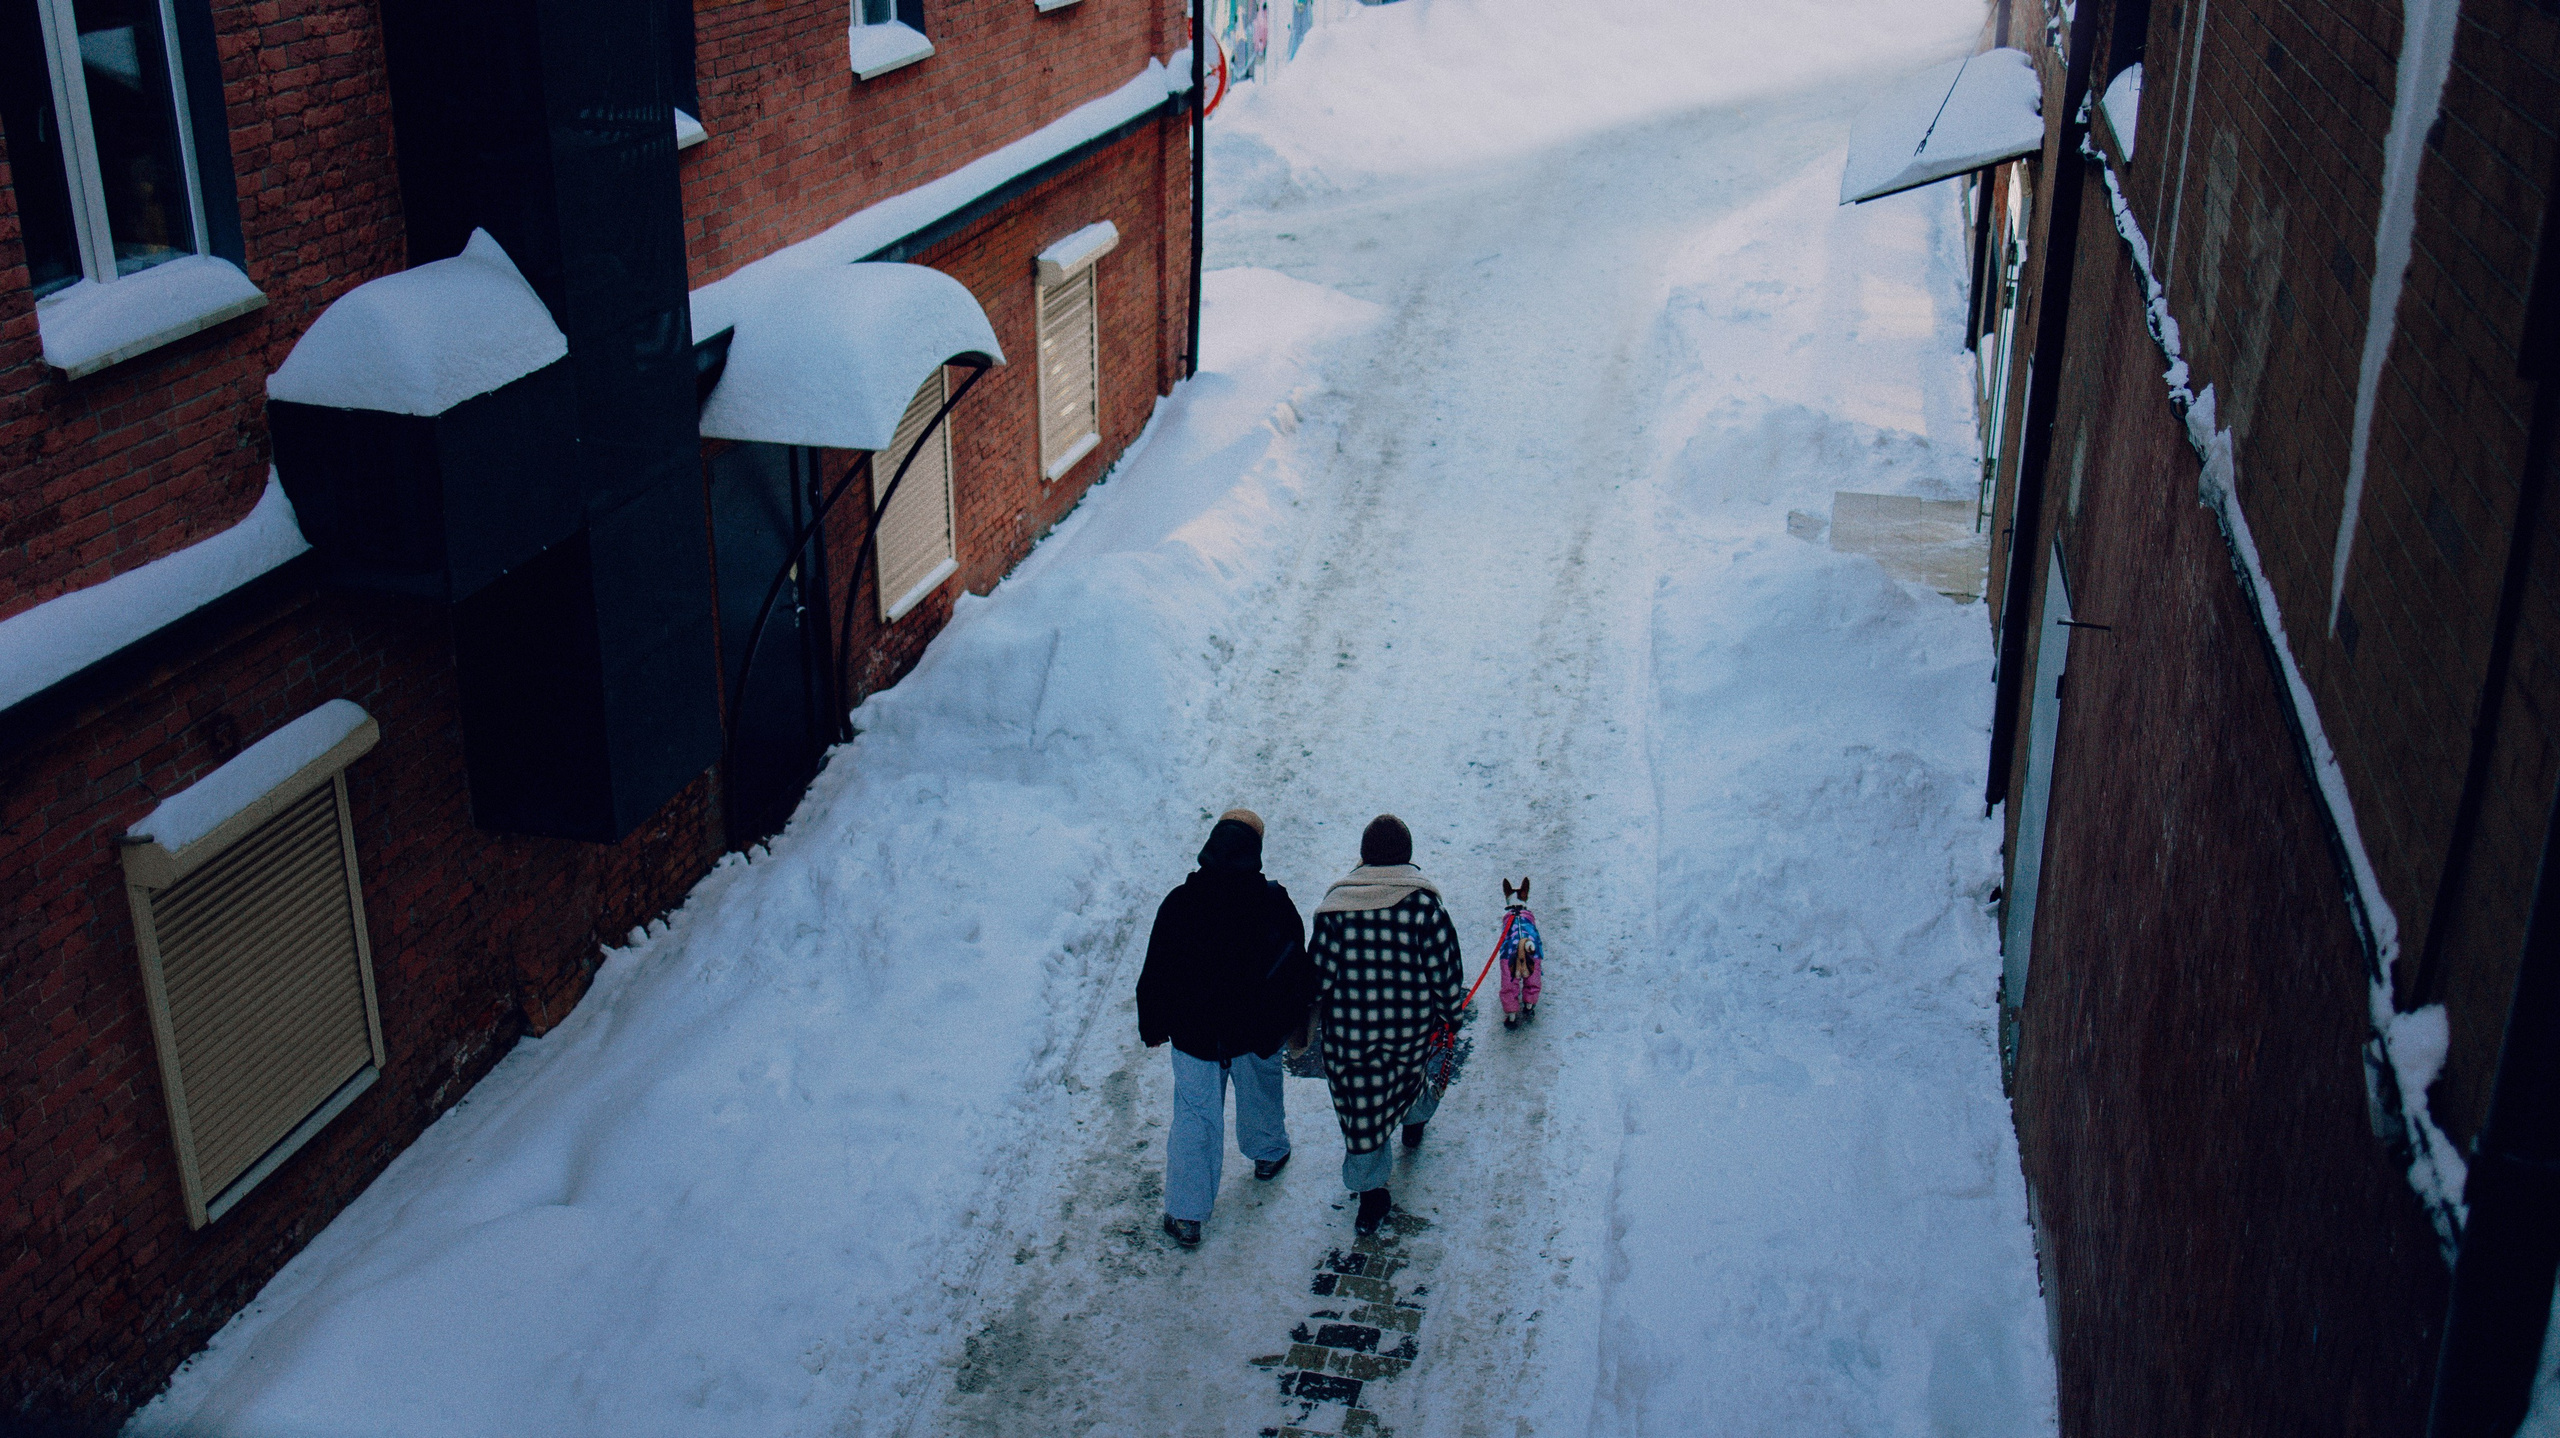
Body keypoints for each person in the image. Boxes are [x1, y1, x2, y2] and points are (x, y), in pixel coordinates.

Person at [1136, 808, 1315, 1248]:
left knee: (1195, 1119)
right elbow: (1296, 967)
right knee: (1262, 1092)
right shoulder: (1273, 902)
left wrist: (1153, 1023)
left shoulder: (1180, 902)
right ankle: (1268, 1153)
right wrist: (1295, 1020)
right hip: (1256, 1033)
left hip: (1196, 1038)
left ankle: (1185, 1214)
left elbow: (1157, 969)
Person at [1309, 814, 1466, 1236]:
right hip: (1408, 1036)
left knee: (1363, 1111)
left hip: (1350, 1040)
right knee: (1406, 1078)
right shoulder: (1425, 909)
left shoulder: (1334, 910)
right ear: (1407, 859)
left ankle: (1371, 1195)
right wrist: (1452, 1014)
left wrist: (1302, 1024)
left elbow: (1318, 979)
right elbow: (1445, 974)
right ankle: (1415, 1119)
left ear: (1363, 856)